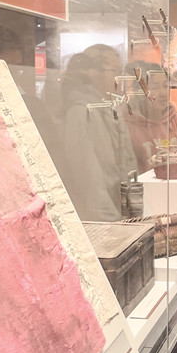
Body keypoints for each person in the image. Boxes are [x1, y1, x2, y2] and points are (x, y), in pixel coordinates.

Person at [61, 45, 137, 222]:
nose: (119, 78)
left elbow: (126, 162)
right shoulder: (80, 112)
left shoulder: (110, 107)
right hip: (104, 218)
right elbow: (88, 178)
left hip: (120, 211)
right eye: (114, 70)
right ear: (93, 73)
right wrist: (111, 222)